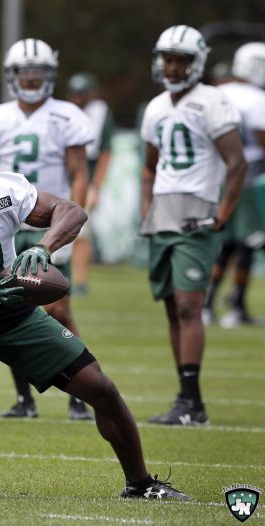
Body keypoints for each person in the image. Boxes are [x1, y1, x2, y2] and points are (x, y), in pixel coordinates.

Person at [0, 127, 190, 501]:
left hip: (16, 312)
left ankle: (140, 483)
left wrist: (43, 247)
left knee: (101, 388)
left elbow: (72, 211)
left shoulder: (1, 191)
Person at [140, 25, 246, 425]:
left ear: (196, 63)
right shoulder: (155, 107)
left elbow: (237, 162)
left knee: (189, 305)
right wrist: (145, 211)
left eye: (180, 60)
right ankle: (186, 399)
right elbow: (149, 168)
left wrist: (222, 214)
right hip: (163, 211)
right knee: (172, 306)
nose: (172, 66)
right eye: (167, 59)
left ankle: (192, 402)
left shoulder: (212, 101)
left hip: (197, 208)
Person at [0, 38, 93, 420]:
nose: (30, 79)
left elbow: (79, 173)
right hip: (8, 223)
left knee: (57, 306)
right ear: (12, 75)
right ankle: (24, 399)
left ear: (50, 74)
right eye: (24, 72)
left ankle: (79, 391)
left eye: (37, 72)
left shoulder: (66, 115)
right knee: (12, 307)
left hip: (50, 223)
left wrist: (72, 226)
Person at [203, 43, 265, 328]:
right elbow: (261, 139)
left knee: (224, 243)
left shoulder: (217, 94)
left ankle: (207, 304)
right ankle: (236, 306)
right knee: (248, 243)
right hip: (249, 177)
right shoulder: (256, 98)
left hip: (216, 176)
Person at [67, 72, 116, 296]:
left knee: (81, 232)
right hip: (63, 179)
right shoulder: (64, 112)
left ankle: (80, 282)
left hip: (85, 180)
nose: (78, 98)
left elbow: (105, 153)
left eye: (82, 93)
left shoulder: (100, 113)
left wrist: (96, 186)